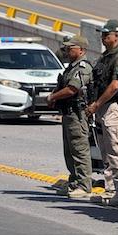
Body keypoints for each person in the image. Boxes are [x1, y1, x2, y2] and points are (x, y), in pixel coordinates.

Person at [86, 19, 118, 207]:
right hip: (101, 108)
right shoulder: (105, 57)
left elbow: (115, 85)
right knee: (105, 152)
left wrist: (97, 104)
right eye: (103, 34)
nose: (103, 37)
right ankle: (111, 189)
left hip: (111, 107)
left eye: (107, 34)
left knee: (115, 150)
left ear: (117, 36)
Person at [47, 35, 93, 199]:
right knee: (69, 151)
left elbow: (72, 89)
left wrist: (53, 97)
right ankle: (74, 182)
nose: (67, 50)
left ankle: (84, 185)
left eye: (70, 47)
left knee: (79, 150)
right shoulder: (71, 67)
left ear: (81, 50)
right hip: (68, 113)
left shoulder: (83, 67)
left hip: (77, 114)